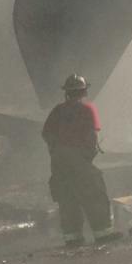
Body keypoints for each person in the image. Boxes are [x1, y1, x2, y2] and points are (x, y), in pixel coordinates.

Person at [43, 74, 117, 246]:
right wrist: (86, 156)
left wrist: (55, 151)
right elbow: (92, 134)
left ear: (66, 92)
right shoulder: (87, 109)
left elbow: (46, 134)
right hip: (77, 156)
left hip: (58, 159)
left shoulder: (57, 110)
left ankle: (72, 237)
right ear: (84, 91)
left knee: (67, 196)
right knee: (94, 193)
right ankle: (103, 234)